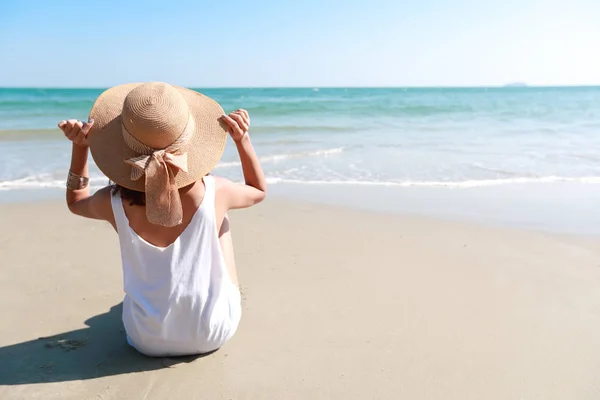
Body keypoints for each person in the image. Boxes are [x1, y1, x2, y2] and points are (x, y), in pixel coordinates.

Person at [58, 82, 267, 357]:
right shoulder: (216, 191)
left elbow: (76, 201)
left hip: (146, 340)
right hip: (212, 333)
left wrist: (80, 148)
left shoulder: (113, 201)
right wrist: (243, 141)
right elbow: (258, 191)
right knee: (219, 220)